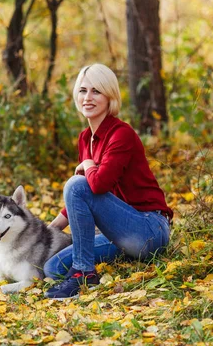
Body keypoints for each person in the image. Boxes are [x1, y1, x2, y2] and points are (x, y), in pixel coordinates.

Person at [44, 63, 174, 300]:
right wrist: (48, 231)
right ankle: (122, 257)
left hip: (149, 228)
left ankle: (84, 274)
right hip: (120, 233)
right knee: (52, 268)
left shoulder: (121, 133)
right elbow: (80, 197)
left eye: (97, 91)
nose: (88, 97)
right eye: (83, 91)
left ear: (110, 96)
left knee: (76, 184)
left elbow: (97, 185)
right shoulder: (85, 138)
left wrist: (89, 165)